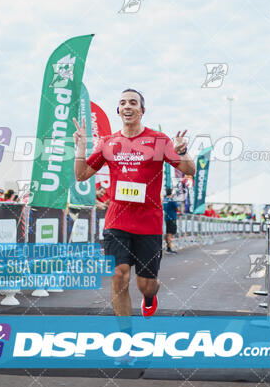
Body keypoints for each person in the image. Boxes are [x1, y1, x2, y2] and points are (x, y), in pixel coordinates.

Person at [73, 88, 195, 317]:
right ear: (118, 110)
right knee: (119, 275)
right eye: (123, 103)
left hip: (148, 223)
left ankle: (150, 296)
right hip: (116, 221)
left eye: (133, 102)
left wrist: (184, 151)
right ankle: (125, 338)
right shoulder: (108, 143)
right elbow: (81, 175)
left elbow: (189, 170)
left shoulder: (158, 140)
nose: (127, 106)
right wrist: (80, 148)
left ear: (142, 110)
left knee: (146, 284)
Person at [163, 188, 178, 253]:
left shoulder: (165, 200)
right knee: (170, 233)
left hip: (166, 218)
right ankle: (169, 248)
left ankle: (168, 247)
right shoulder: (171, 200)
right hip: (172, 218)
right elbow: (177, 208)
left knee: (167, 233)